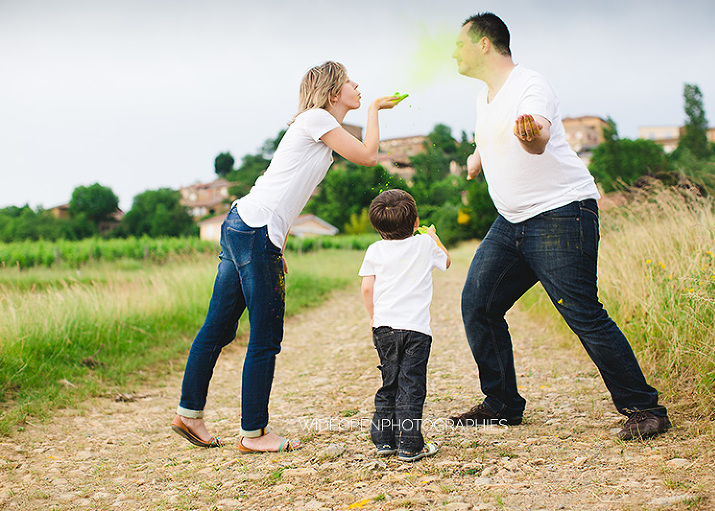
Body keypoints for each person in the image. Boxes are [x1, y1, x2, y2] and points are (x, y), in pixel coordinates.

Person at [448, 13, 671, 440]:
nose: (453, 53)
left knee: (582, 312)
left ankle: (645, 409)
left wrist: (529, 136)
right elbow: (491, 138)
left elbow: (536, 139)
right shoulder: (485, 97)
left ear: (483, 45)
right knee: (478, 304)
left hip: (560, 214)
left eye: (460, 44)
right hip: (511, 221)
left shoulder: (530, 85)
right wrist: (479, 159)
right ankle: (502, 404)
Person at [171, 61, 405, 453]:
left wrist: (276, 246)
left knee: (218, 328)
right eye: (349, 81)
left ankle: (189, 414)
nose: (356, 84)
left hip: (244, 225)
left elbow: (289, 193)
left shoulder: (315, 126)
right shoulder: (316, 119)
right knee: (264, 337)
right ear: (333, 92)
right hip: (255, 231)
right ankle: (254, 433)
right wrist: (373, 111)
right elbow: (367, 156)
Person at [359, 189, 450, 461]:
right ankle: (410, 445)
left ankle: (384, 441)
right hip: (416, 331)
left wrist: (373, 317)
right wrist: (434, 238)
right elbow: (446, 261)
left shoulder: (374, 250)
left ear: (378, 227)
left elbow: (367, 288)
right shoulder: (425, 245)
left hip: (384, 328)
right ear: (415, 222)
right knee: (411, 384)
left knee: (389, 382)